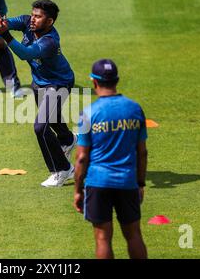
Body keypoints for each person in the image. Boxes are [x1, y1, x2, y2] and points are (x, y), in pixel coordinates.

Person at [0, 0, 76, 187]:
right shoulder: (27, 21)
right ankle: (68, 140)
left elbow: (26, 53)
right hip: (39, 83)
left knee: (40, 128)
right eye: (33, 15)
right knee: (52, 120)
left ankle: (62, 170)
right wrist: (1, 24)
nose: (33, 19)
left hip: (58, 84)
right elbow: (9, 23)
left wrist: (6, 35)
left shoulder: (50, 42)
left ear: (50, 21)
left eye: (39, 16)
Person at [73, 59, 148, 259]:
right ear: (117, 80)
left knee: (103, 238)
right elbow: (142, 152)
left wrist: (78, 190)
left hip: (99, 183)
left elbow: (81, 158)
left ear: (94, 82)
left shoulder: (89, 114)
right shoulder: (135, 109)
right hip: (127, 181)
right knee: (133, 235)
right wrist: (140, 183)